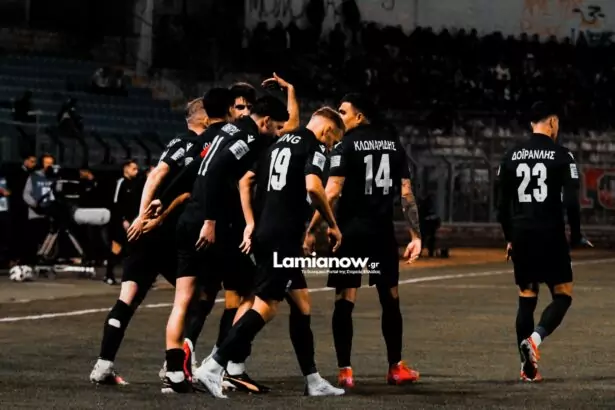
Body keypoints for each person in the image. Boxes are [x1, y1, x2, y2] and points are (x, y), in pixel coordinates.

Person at [195, 107, 346, 399]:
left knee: (302, 304)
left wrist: (251, 223)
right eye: (333, 141)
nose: (330, 147)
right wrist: (332, 224)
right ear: (327, 130)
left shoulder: (276, 144)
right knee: (266, 305)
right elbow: (315, 188)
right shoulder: (313, 146)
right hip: (283, 238)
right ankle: (214, 365)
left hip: (267, 232)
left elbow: (245, 181)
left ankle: (313, 380)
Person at [162, 95, 289, 394]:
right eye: (277, 127)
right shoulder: (247, 136)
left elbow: (196, 168)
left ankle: (174, 373)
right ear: (266, 121)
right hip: (209, 224)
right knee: (253, 290)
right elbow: (216, 170)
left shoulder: (223, 131)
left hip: (188, 219)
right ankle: (221, 361)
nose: (278, 133)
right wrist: (210, 221)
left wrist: (163, 199)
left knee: (183, 300)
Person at [89, 97, 209, 386]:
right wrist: (146, 215)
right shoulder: (201, 146)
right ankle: (176, 365)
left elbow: (157, 174)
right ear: (204, 118)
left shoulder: (175, 143)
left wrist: (141, 217)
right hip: (169, 233)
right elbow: (168, 182)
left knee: (127, 298)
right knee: (196, 297)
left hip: (146, 234)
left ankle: (103, 365)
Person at [305, 93, 422, 388]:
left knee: (345, 299)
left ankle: (345, 371)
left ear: (359, 117)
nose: (339, 117)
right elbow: (406, 194)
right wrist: (416, 235)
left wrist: (312, 228)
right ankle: (395, 368)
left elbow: (332, 191)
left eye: (343, 112)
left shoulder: (344, 145)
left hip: (351, 233)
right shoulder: (394, 145)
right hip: (382, 233)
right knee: (390, 299)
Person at [496, 101, 592, 382]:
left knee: (526, 297)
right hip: (550, 234)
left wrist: (510, 237)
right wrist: (576, 235)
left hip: (522, 234)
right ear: (552, 122)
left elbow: (501, 206)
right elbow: (572, 202)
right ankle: (535, 340)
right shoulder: (562, 155)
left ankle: (527, 370)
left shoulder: (511, 155)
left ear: (531, 124)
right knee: (563, 294)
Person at [104, 160, 140, 285]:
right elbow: (116, 203)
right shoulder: (120, 183)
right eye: (134, 169)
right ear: (126, 169)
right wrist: (123, 219)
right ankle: (108, 275)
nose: (136, 171)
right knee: (116, 248)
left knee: (132, 250)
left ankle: (133, 278)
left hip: (132, 222)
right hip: (118, 223)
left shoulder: (135, 184)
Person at [22, 154, 55, 266]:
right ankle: (31, 262)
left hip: (50, 214)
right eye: (47, 163)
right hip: (35, 214)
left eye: (51, 163)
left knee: (47, 240)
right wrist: (35, 205)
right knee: (33, 239)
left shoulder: (55, 177)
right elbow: (26, 194)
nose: (49, 165)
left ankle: (45, 262)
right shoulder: (34, 177)